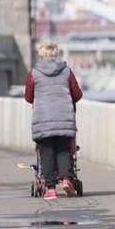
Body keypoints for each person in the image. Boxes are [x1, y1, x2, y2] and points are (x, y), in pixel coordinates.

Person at [24, 39, 83, 199]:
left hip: (43, 119)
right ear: (56, 53)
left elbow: (28, 96)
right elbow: (77, 94)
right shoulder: (67, 71)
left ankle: (50, 188)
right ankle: (66, 180)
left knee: (46, 153)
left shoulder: (34, 73)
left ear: (41, 54)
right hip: (64, 117)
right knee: (64, 150)